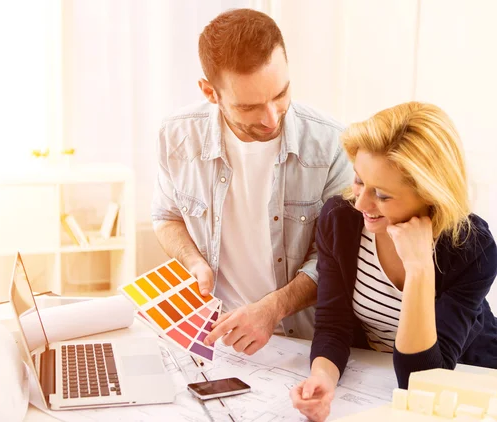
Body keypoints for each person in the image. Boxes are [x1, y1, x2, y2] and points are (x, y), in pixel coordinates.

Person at [290, 102, 497, 422]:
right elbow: (332, 324)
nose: (361, 203)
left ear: (429, 195)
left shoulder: (472, 248)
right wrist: (322, 380)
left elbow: (420, 380)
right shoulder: (341, 220)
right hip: (383, 379)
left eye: (382, 194)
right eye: (358, 180)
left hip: (474, 387)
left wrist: (419, 268)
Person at [151, 8, 353, 355]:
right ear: (209, 92)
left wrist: (273, 309)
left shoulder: (332, 144)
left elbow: (338, 259)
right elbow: (167, 217)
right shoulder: (177, 136)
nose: (271, 118)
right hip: (215, 338)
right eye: (249, 107)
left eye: (281, 94)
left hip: (302, 346)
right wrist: (194, 262)